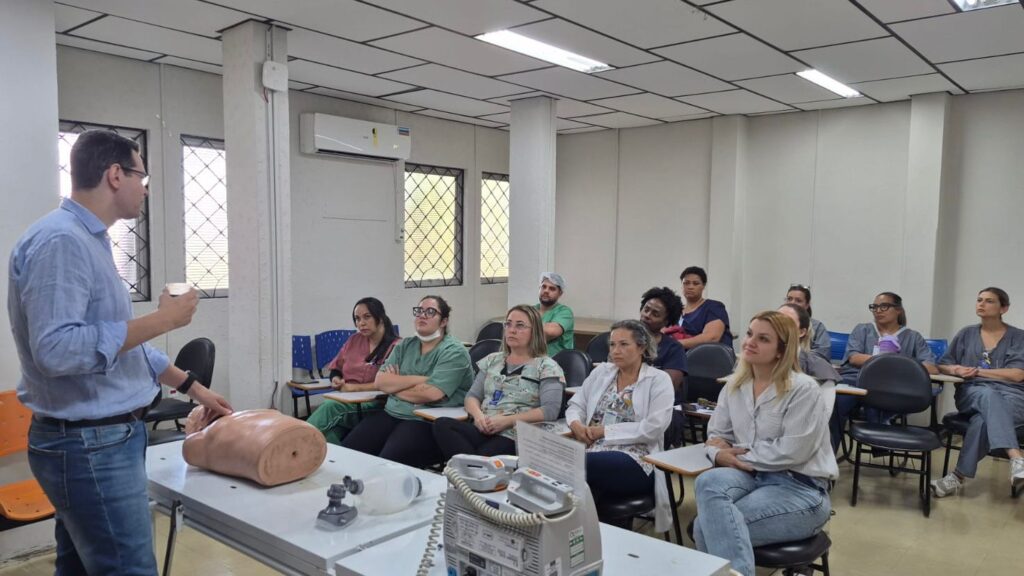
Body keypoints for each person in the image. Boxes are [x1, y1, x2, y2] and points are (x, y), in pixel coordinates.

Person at [8, 130, 233, 574]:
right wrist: (164, 319)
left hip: (95, 442)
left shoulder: (89, 239)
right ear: (115, 175)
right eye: (141, 178)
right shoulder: (62, 242)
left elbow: (123, 345)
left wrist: (195, 388)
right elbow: (56, 351)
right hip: (89, 446)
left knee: (78, 567)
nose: (145, 190)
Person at [693, 311, 836, 576]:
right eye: (750, 334)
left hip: (800, 488)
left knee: (704, 527)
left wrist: (735, 455)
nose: (750, 342)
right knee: (706, 481)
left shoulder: (803, 388)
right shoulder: (734, 385)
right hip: (753, 476)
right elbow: (716, 434)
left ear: (781, 351)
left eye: (763, 339)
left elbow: (792, 451)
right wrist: (717, 454)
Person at [565, 320, 674, 532]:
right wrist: (576, 424)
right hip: (593, 450)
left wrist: (604, 431)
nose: (616, 351)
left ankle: (579, 532)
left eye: (624, 344)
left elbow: (654, 427)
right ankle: (592, 534)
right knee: (577, 473)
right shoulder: (602, 372)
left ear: (641, 347)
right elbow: (576, 405)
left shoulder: (658, 380)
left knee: (574, 463)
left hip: (637, 459)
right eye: (612, 345)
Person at [341, 295, 473, 468]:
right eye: (419, 311)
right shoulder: (405, 345)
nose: (422, 315)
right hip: (392, 413)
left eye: (430, 312)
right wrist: (422, 380)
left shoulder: (454, 351)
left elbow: (432, 393)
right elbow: (380, 381)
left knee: (387, 464)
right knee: (349, 451)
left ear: (444, 321)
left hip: (425, 420)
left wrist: (394, 386)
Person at [433, 305, 565, 460]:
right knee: (442, 425)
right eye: (508, 324)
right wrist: (479, 417)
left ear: (534, 331)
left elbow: (550, 411)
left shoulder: (547, 366)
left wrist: (506, 421)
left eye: (520, 325)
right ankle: (474, 468)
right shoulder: (492, 360)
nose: (512, 330)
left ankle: (471, 468)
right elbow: (472, 397)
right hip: (484, 427)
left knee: (482, 455)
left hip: (515, 434)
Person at [931, 287, 1024, 497]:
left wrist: (978, 371)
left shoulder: (1019, 337)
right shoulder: (966, 334)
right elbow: (943, 364)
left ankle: (956, 478)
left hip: (1013, 397)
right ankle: (1016, 457)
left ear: (1004, 308)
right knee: (988, 395)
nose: (981, 304)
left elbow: (1018, 374)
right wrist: (955, 370)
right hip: (972, 392)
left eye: (989, 301)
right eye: (979, 299)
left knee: (982, 421)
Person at [831, 292, 937, 452]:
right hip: (857, 381)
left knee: (881, 399)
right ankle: (828, 454)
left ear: (898, 310)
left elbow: (931, 367)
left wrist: (893, 365)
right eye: (874, 307)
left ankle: (880, 440)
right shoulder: (863, 330)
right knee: (837, 402)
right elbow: (854, 357)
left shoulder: (913, 337)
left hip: (891, 388)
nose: (878, 310)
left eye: (884, 306)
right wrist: (889, 361)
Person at [306, 297, 399, 444]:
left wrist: (354, 388)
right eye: (357, 319)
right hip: (346, 400)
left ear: (380, 318)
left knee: (330, 408)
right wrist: (336, 379)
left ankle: (292, 439)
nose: (361, 323)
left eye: (367, 317)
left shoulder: (396, 347)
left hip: (375, 404)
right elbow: (336, 368)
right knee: (326, 435)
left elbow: (390, 384)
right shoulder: (354, 340)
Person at [665, 266, 733, 349]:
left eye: (696, 283)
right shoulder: (676, 311)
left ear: (703, 286)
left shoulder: (714, 307)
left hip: (708, 356)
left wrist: (674, 344)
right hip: (678, 354)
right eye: (686, 283)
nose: (690, 287)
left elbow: (712, 338)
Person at [639, 287, 687, 391]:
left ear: (666, 322)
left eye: (655, 314)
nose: (647, 315)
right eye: (646, 310)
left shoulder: (674, 349)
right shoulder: (623, 340)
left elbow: (667, 387)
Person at [778, 304, 840, 383]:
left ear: (801, 332)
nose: (777, 326)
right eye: (774, 321)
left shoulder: (820, 368)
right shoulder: (763, 358)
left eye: (787, 322)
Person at [784, 284, 831, 360]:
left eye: (798, 300)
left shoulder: (817, 327)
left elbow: (821, 354)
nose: (792, 303)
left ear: (807, 305)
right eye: (789, 299)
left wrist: (794, 356)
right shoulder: (775, 323)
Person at [536, 272, 575, 356]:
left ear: (560, 293)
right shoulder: (531, 310)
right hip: (532, 359)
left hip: (556, 361)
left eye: (552, 289)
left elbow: (550, 332)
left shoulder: (564, 312)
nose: (546, 291)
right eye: (543, 287)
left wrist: (523, 328)